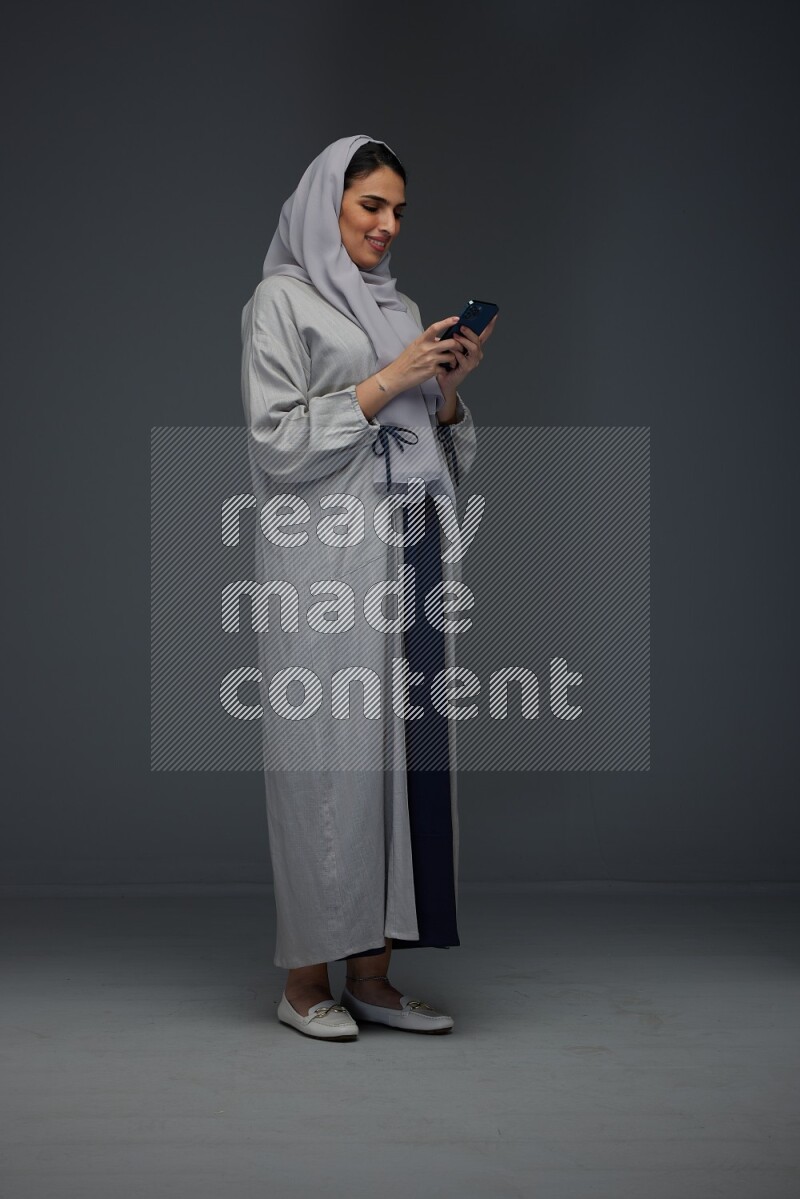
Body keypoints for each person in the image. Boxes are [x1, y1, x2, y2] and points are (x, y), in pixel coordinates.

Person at [240, 135, 497, 1040]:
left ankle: (375, 976)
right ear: (326, 207)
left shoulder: (402, 309)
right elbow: (274, 440)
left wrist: (450, 390)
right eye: (369, 208)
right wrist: (389, 378)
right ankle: (306, 979)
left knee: (403, 758)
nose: (387, 226)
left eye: (396, 211)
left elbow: (437, 443)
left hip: (412, 551)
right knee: (328, 759)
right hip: (326, 563)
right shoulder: (281, 302)